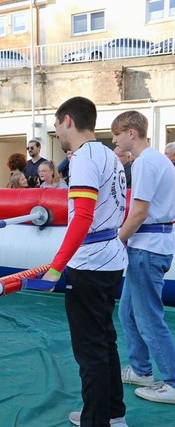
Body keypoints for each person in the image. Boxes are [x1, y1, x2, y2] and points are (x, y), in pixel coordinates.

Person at [41, 96, 127, 427]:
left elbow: (82, 218)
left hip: (90, 262)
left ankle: (96, 420)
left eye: (56, 124)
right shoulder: (108, 154)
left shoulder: (84, 158)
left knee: (90, 349)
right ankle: (111, 413)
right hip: (110, 257)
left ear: (67, 121)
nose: (56, 131)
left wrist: (56, 267)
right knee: (105, 340)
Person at [113, 110, 175, 405]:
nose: (114, 140)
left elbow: (138, 212)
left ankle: (173, 382)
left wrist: (117, 241)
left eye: (116, 134)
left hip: (147, 248)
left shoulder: (145, 163)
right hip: (152, 245)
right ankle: (141, 370)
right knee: (128, 313)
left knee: (149, 318)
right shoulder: (158, 160)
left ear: (131, 133)